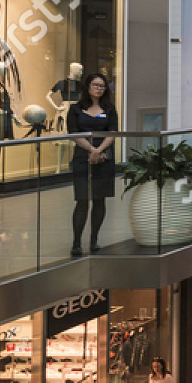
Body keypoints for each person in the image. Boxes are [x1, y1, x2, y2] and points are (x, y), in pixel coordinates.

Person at [68, 71, 118, 255]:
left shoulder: (110, 109)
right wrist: (92, 150)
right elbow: (74, 133)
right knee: (82, 201)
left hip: (104, 158)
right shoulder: (75, 108)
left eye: (102, 86)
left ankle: (94, 239)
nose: (99, 89)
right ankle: (76, 243)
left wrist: (100, 151)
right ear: (88, 87)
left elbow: (112, 133)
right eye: (96, 85)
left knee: (99, 200)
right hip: (83, 157)